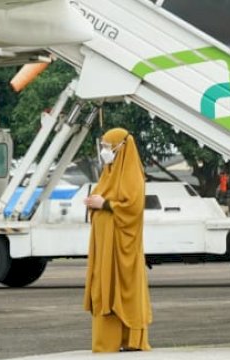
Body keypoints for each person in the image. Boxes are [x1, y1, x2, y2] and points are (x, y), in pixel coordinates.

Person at [83, 128, 152, 352]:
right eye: (103, 147)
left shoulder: (132, 175)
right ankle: (107, 340)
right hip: (104, 247)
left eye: (108, 147)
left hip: (123, 247)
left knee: (124, 287)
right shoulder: (108, 173)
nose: (105, 152)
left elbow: (133, 208)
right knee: (103, 286)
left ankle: (129, 339)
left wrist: (104, 204)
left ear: (121, 147)